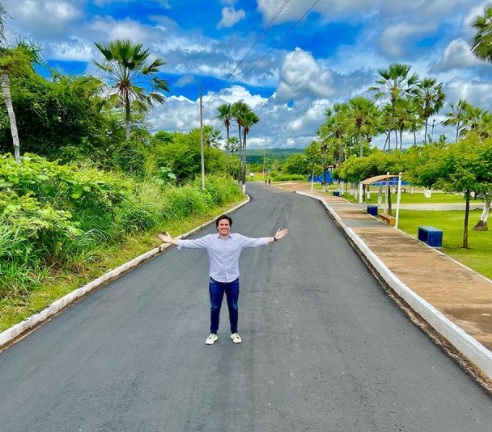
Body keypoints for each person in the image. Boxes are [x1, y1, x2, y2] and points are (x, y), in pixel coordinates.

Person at [158, 214, 288, 345]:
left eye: (226, 225)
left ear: (230, 227)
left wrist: (274, 238)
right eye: (221, 225)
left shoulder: (238, 239)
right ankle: (213, 333)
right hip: (216, 281)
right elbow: (192, 243)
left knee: (233, 307)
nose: (224, 227)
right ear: (217, 227)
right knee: (214, 307)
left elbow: (255, 242)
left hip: (233, 280)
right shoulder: (209, 240)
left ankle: (234, 332)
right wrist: (172, 241)